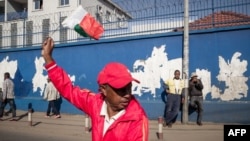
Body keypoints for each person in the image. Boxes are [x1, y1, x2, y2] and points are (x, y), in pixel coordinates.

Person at [41, 37, 148, 141]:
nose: (127, 94)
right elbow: (69, 90)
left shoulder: (136, 119)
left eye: (129, 89)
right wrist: (48, 59)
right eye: (121, 89)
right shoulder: (95, 104)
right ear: (104, 89)